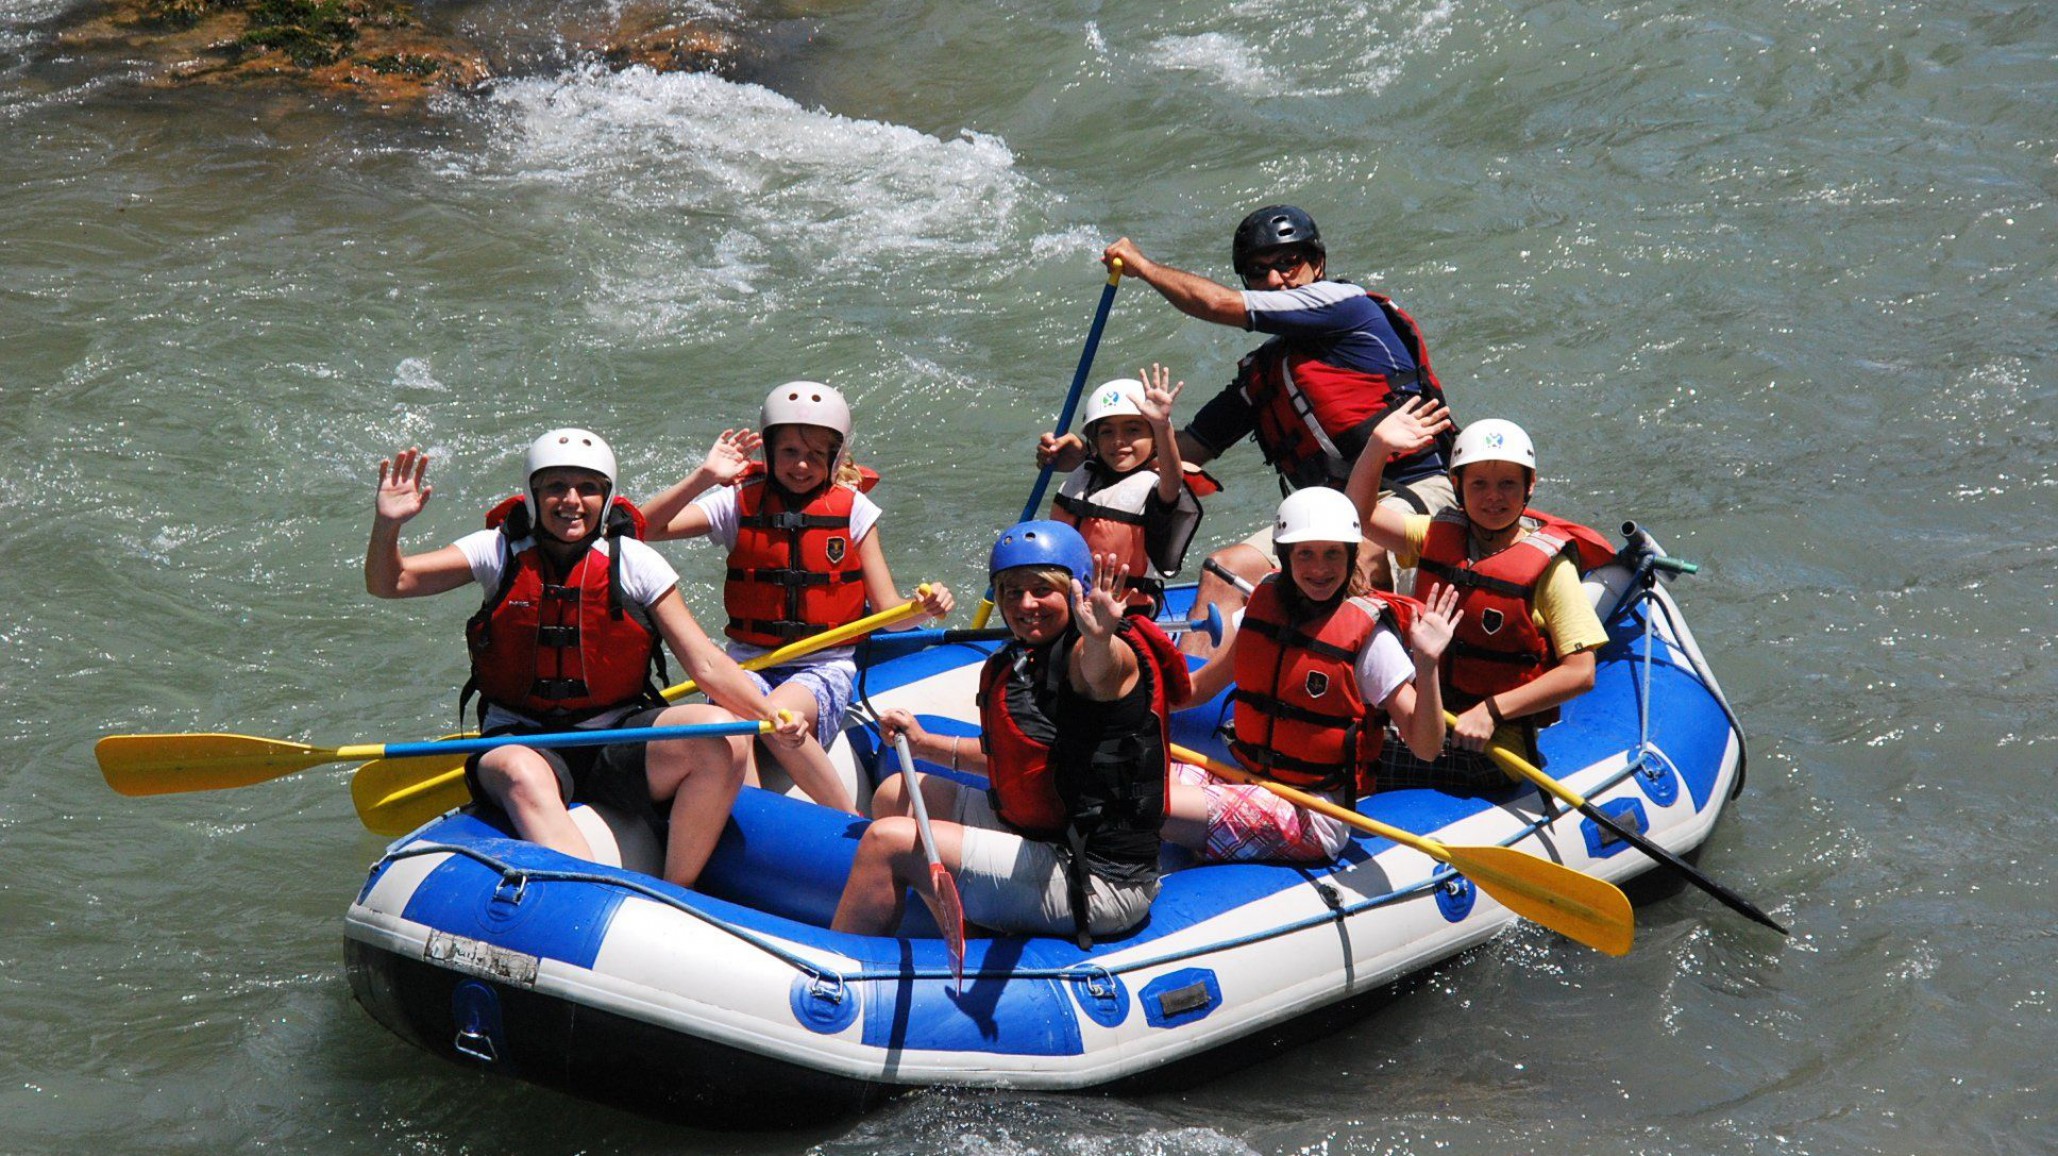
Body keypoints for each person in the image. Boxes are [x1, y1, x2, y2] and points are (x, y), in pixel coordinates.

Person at [365, 428, 806, 889]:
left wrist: (770, 714)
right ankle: (597, 896)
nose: (571, 500)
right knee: (520, 775)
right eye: (555, 486)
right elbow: (390, 582)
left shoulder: (634, 560)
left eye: (588, 488)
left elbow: (707, 665)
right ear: (533, 495)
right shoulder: (496, 551)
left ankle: (680, 890)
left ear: (607, 496)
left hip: (615, 735)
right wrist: (388, 525)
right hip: (522, 737)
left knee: (724, 738)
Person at [1046, 205, 1458, 646]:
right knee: (1223, 571)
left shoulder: (1346, 308)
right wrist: (1092, 456)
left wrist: (1144, 268)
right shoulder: (1265, 375)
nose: (1277, 279)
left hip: (1414, 493)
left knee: (1338, 565)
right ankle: (1187, 708)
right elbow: (1184, 450)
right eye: (1260, 272)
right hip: (1327, 514)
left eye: (1288, 263)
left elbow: (1217, 304)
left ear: (1317, 264)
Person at [832, 521, 1189, 947]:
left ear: (1076, 590)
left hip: (1098, 880)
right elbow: (1022, 763)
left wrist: (1100, 639)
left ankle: (836, 978)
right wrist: (923, 742)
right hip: (1044, 835)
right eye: (1011, 591)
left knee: (886, 842)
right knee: (897, 793)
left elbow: (1100, 672)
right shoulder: (1031, 657)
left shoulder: (1096, 655)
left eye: (1042, 589)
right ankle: (975, 932)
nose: (1026, 603)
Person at [638, 382, 953, 814]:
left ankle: (850, 821)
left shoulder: (854, 511)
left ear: (835, 458)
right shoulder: (736, 503)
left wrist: (923, 607)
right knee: (732, 733)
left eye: (815, 455)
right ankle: (754, 827)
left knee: (771, 716)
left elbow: (887, 614)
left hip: (822, 666)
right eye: (788, 452)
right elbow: (642, 530)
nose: (801, 465)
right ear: (767, 451)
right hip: (749, 662)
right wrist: (704, 478)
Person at [1161, 487, 1459, 863]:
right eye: (1306, 554)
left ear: (1351, 556)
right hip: (1245, 776)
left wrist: (1427, 665)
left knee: (1150, 800)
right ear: (1285, 557)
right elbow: (1195, 689)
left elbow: (1427, 746)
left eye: (1333, 553)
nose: (1319, 569)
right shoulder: (1263, 608)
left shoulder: (1370, 639)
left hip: (1313, 813)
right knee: (1133, 774)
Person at [1347, 408, 1614, 792]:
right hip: (1426, 720)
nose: (1493, 497)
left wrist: (1491, 711)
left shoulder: (1550, 570)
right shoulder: (1436, 535)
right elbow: (1361, 516)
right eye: (1479, 484)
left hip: (1493, 748)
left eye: (1507, 483)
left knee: (1354, 754)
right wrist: (1378, 446)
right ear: (1458, 486)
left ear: (1530, 486)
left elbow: (1580, 672)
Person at [1036, 364, 1217, 614]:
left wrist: (1162, 425)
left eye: (1133, 430)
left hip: (1125, 612)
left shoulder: (1159, 489)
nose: (1118, 441)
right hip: (1068, 605)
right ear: (1095, 441)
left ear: (1154, 439)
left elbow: (1172, 479)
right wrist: (1056, 453)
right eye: (1107, 432)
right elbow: (1097, 468)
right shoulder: (1087, 471)